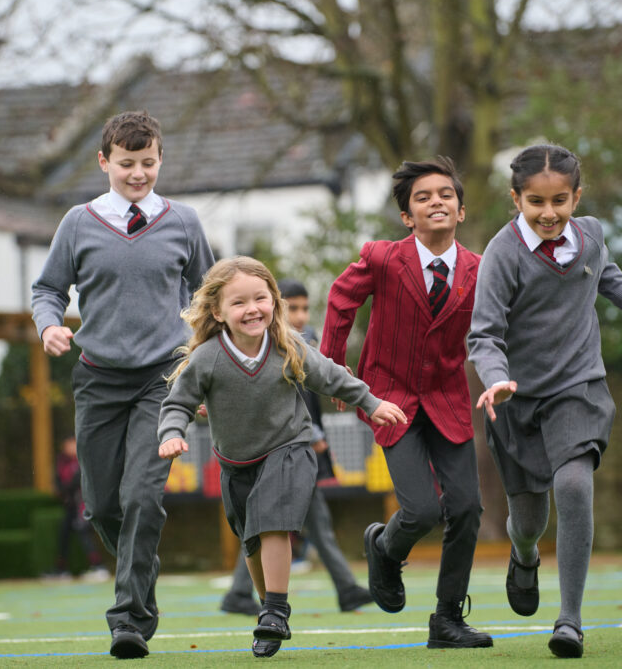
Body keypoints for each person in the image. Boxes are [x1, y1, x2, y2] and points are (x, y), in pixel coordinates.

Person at [468, 144, 622, 658]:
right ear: (516, 199)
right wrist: (495, 379)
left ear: (576, 196)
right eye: (535, 202)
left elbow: (601, 270)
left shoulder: (591, 234)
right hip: (516, 399)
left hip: (578, 388)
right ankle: (523, 555)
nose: (549, 213)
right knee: (529, 520)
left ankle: (570, 621)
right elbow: (484, 335)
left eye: (560, 200)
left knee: (575, 484)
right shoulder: (502, 253)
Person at [31, 110, 215, 659]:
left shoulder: (183, 222)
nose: (138, 174)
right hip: (98, 381)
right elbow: (47, 290)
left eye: (149, 163)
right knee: (103, 507)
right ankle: (143, 570)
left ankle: (128, 618)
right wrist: (49, 327)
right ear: (104, 162)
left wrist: (203, 372)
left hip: (163, 381)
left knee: (141, 497)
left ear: (161, 160)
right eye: (127, 163)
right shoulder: (78, 223)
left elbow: (209, 297)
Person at [158, 256, 406, 658]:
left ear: (274, 301)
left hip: (290, 448)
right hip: (235, 464)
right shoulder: (207, 358)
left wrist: (372, 403)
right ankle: (267, 614)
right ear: (218, 312)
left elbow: (332, 376)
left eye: (261, 298)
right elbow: (177, 404)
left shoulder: (289, 346)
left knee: (274, 521)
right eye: (239, 303)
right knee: (251, 539)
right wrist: (171, 433)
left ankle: (276, 609)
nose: (252, 308)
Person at [321, 156, 493, 651]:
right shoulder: (381, 257)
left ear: (461, 210)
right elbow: (339, 300)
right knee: (420, 510)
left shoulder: (480, 270)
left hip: (448, 398)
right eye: (423, 197)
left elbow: (497, 330)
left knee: (465, 508)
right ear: (407, 217)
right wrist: (336, 371)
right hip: (389, 396)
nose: (436, 201)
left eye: (445, 194)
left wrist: (503, 377)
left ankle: (447, 620)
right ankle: (384, 546)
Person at [219, 278, 374, 615]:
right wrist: (315, 434)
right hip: (283, 448)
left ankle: (342, 588)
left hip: (295, 450)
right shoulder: (267, 347)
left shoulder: (303, 343)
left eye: (306, 308)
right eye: (294, 308)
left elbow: (322, 384)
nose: (301, 316)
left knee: (278, 524)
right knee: (268, 525)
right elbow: (289, 400)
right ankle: (340, 589)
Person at [52, 435, 108, 581]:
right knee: (64, 535)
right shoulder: (61, 461)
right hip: (70, 507)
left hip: (82, 505)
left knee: (84, 533)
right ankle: (61, 569)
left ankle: (99, 567)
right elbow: (59, 483)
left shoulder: (83, 460)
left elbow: (78, 482)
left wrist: (67, 488)